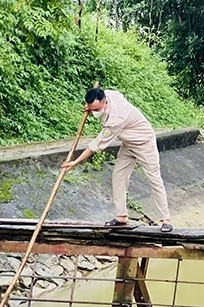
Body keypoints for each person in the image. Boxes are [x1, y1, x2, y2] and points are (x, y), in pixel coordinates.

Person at [62, 88, 173, 232]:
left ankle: (166, 220)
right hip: (128, 143)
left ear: (105, 102)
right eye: (91, 108)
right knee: (118, 176)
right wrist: (90, 108)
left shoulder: (116, 120)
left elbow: (95, 145)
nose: (94, 112)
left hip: (144, 143)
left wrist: (75, 162)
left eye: (96, 109)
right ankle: (121, 216)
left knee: (154, 179)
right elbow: (102, 97)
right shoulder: (110, 94)